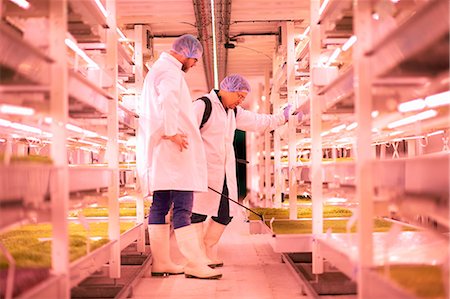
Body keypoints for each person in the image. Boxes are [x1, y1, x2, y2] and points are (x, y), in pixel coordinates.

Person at [191, 74, 302, 267]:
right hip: (200, 171)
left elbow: (258, 122)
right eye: (239, 96)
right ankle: (197, 258)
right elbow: (185, 132)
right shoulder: (203, 105)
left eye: (243, 98)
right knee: (196, 214)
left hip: (223, 173)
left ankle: (208, 248)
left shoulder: (233, 112)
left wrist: (282, 118)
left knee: (225, 214)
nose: (241, 101)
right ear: (227, 90)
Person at [136, 34, 221, 279]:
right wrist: (173, 132)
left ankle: (162, 262)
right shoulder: (170, 72)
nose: (194, 65)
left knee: (160, 205)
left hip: (163, 154)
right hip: (174, 152)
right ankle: (194, 263)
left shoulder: (161, 70)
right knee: (183, 206)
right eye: (194, 60)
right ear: (186, 54)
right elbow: (169, 100)